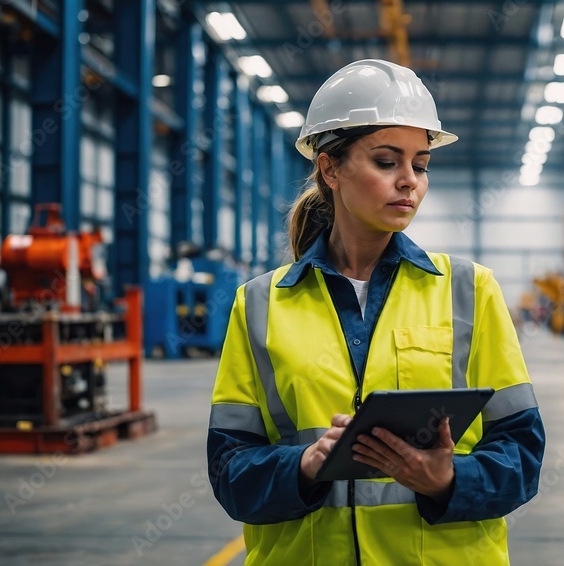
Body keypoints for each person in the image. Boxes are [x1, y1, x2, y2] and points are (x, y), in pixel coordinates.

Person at [208, 59, 545, 565]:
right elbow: (230, 471)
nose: (409, 181)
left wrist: (450, 479)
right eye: (387, 162)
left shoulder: (470, 291)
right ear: (331, 168)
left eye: (421, 164)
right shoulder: (260, 303)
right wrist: (302, 466)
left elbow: (523, 455)